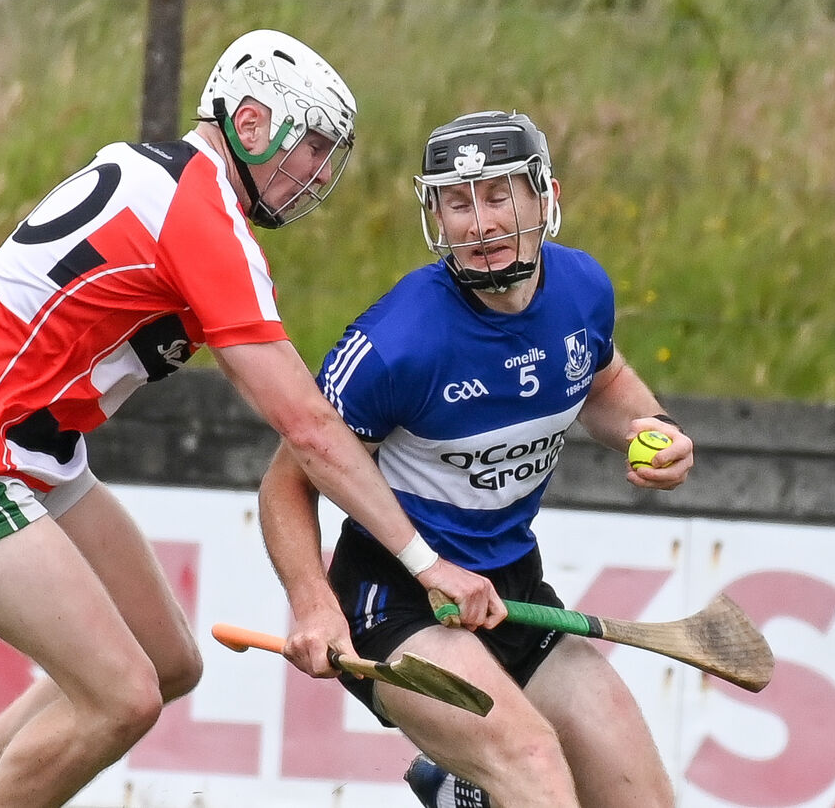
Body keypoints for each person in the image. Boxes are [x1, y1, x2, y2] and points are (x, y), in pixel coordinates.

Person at [0, 31, 508, 808]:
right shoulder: (201, 219)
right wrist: (424, 561)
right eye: (310, 147)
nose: (317, 173)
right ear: (253, 121)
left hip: (28, 449)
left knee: (167, 661)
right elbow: (306, 425)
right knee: (121, 697)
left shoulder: (169, 177)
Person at [257, 110, 696, 808]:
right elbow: (286, 482)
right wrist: (313, 605)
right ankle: (480, 787)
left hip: (512, 594)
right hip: (395, 602)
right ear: (435, 214)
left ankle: (462, 787)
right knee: (534, 766)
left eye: (498, 196)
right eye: (457, 202)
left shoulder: (581, 289)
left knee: (640, 796)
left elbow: (603, 379)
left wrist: (655, 427)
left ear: (544, 196)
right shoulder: (397, 342)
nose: (479, 223)